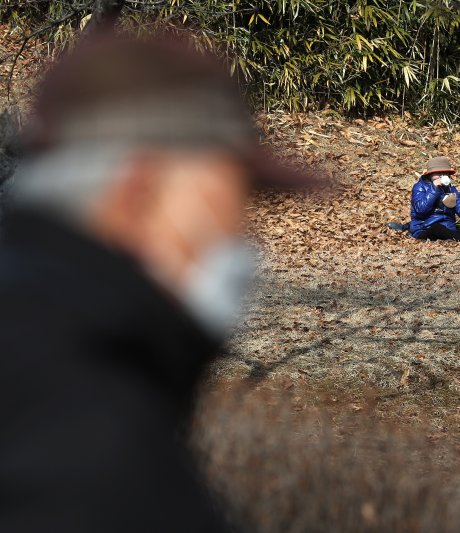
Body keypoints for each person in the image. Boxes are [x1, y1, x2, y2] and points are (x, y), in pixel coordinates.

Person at [0, 35, 305, 533]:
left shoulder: (34, 333)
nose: (240, 235)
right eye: (233, 197)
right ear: (137, 189)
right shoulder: (91, 434)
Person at [410, 156, 460, 241]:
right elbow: (420, 210)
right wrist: (434, 189)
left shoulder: (451, 189)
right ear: (430, 174)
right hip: (425, 228)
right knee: (437, 228)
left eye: (445, 173)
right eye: (438, 173)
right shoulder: (419, 187)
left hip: (448, 228)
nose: (441, 176)